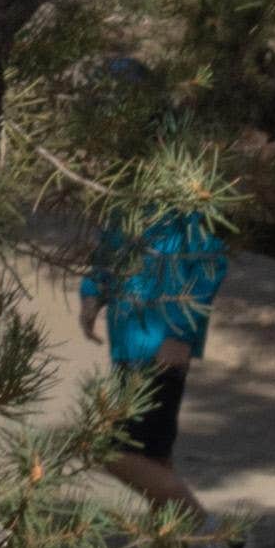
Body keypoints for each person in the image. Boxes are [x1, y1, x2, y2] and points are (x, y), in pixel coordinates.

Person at [78, 196, 235, 523]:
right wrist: (91, 293)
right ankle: (184, 545)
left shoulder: (189, 197)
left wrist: (179, 331)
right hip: (127, 346)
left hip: (163, 346)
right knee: (155, 460)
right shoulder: (128, 197)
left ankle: (221, 539)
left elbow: (210, 264)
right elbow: (110, 252)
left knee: (117, 453)